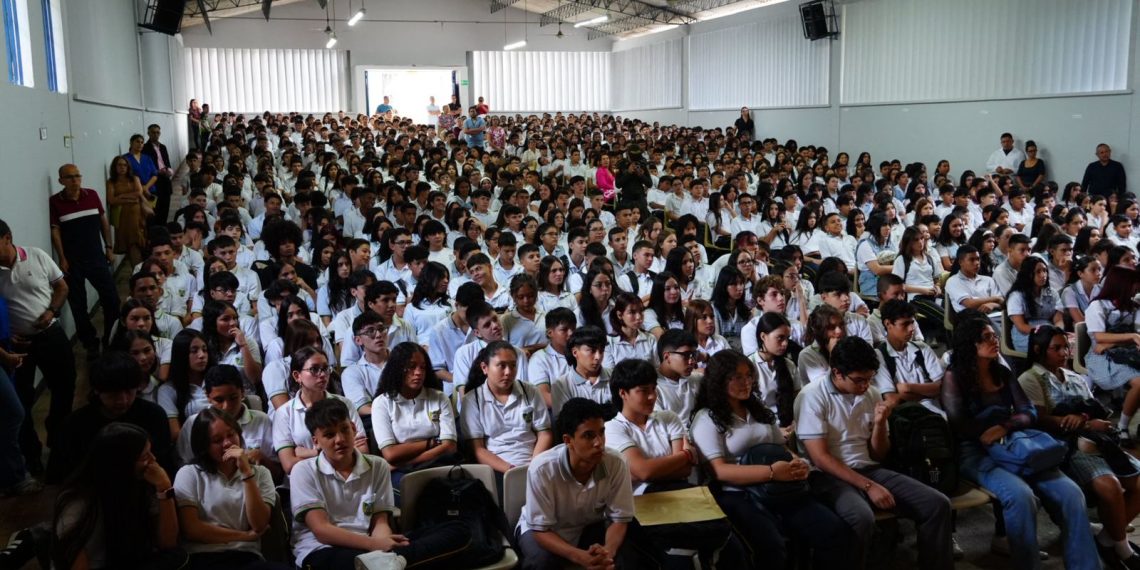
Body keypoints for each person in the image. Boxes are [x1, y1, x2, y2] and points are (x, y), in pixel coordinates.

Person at [942, 317, 1099, 570]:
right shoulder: (955, 377)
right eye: (987, 337)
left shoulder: (1001, 372)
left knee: (1071, 494)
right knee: (1021, 496)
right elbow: (961, 425)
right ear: (970, 344)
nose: (995, 341)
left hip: (1013, 443)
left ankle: (1085, 566)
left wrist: (1004, 426)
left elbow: (1028, 410)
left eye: (995, 336)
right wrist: (997, 426)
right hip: (976, 451)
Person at [796, 336, 953, 570]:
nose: (865, 386)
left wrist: (880, 425)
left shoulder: (871, 393)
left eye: (869, 379)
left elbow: (878, 455)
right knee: (860, 517)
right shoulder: (812, 396)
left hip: (869, 468)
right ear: (837, 373)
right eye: (859, 380)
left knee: (937, 504)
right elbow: (820, 458)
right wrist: (868, 486)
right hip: (828, 475)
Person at [690, 350, 851, 569]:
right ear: (719, 380)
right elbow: (719, 471)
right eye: (737, 377)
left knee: (832, 530)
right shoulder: (707, 418)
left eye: (749, 376)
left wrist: (797, 464)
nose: (746, 382)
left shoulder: (757, 410)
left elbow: (781, 447)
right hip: (738, 493)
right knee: (772, 546)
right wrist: (772, 472)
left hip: (780, 486)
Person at [288, 398, 472, 570]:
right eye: (329, 435)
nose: (340, 440)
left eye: (344, 429)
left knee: (459, 530)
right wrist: (374, 546)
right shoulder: (303, 470)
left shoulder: (377, 465)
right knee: (339, 562)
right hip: (324, 549)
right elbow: (322, 530)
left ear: (353, 428)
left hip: (371, 546)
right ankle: (390, 563)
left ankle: (388, 563)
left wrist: (383, 545)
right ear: (316, 441)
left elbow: (380, 521)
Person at [1018, 325, 1140, 568]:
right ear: (1038, 350)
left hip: (1096, 442)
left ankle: (1108, 539)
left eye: (1067, 347)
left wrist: (1095, 422)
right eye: (1057, 348)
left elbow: (1094, 409)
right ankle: (1124, 549)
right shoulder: (1030, 378)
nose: (1064, 353)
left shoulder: (1075, 377)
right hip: (1067, 446)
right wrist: (1079, 421)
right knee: (1110, 486)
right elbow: (1039, 419)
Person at [605, 359, 745, 567]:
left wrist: (656, 467)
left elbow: (683, 471)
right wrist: (684, 456)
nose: (652, 396)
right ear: (623, 393)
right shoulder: (613, 428)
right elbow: (644, 472)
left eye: (654, 388)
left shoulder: (667, 418)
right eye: (644, 391)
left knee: (731, 546)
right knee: (679, 558)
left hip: (680, 491)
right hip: (640, 501)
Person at [515, 397, 666, 570]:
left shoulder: (616, 463)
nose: (599, 443)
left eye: (601, 432)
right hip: (544, 531)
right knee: (541, 561)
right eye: (588, 435)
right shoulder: (542, 469)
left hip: (586, 527)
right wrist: (577, 556)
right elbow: (540, 530)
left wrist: (608, 552)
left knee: (625, 553)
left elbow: (619, 519)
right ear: (568, 440)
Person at [52, 423, 184, 570]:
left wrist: (164, 489)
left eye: (151, 453)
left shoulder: (143, 484)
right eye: (144, 456)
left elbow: (168, 542)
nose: (153, 460)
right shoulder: (77, 502)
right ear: (120, 464)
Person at [0, 217, 75, 476]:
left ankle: (59, 442)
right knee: (21, 400)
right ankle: (31, 455)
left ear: (7, 238)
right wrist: (8, 332)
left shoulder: (36, 256)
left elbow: (62, 286)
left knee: (64, 387)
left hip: (50, 334)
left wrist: (52, 310)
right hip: (18, 345)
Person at [173, 408, 289, 570]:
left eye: (231, 435)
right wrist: (244, 536)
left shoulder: (260, 474)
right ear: (204, 446)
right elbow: (192, 529)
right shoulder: (190, 474)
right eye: (217, 440)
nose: (227, 443)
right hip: (202, 557)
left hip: (247, 556)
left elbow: (260, 524)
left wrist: (246, 473)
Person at [47, 351, 174, 484]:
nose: (123, 400)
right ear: (97, 390)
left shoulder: (153, 416)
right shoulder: (74, 426)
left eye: (129, 391)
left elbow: (164, 463)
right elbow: (59, 476)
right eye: (114, 393)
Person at [50, 164, 120, 356]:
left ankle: (110, 338)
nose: (75, 180)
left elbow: (103, 223)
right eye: (70, 177)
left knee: (111, 299)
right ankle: (90, 343)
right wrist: (62, 258)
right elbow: (55, 231)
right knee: (78, 306)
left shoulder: (92, 195)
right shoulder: (55, 202)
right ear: (61, 181)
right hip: (73, 262)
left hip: (96, 257)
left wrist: (109, 247)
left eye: (77, 176)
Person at [370, 342, 458, 489]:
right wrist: (432, 442)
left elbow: (449, 447)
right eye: (411, 367)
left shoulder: (439, 398)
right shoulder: (382, 403)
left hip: (435, 464)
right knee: (415, 489)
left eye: (422, 367)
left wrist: (404, 462)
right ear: (397, 369)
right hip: (404, 473)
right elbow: (390, 454)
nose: (418, 372)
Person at [461, 340, 553, 478]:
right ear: (485, 367)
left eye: (513, 366)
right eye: (501, 366)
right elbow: (478, 449)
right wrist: (512, 470)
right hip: (496, 467)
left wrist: (534, 466)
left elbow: (544, 433)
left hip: (534, 462)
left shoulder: (530, 391)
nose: (508, 372)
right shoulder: (472, 400)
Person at [273, 346, 369, 475]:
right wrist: (340, 452)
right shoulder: (284, 413)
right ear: (297, 376)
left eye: (325, 368)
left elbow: (362, 451)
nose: (322, 374)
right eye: (314, 369)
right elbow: (289, 465)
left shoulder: (344, 404)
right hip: (306, 478)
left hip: (347, 474)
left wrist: (310, 452)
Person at [1085, 266, 1140, 444]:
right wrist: (1131, 337)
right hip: (1101, 358)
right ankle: (1123, 426)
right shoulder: (1098, 306)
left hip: (1125, 353)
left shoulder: (1133, 306)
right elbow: (1099, 338)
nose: (1136, 289)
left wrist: (1115, 341)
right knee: (1139, 383)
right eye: (1133, 285)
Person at [873, 300, 946, 414]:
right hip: (906, 416)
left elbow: (940, 387)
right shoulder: (879, 355)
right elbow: (891, 398)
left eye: (912, 322)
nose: (912, 328)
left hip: (935, 412)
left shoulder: (923, 348)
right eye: (905, 324)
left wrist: (907, 388)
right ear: (888, 324)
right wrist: (927, 391)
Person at [1007, 256, 1064, 352]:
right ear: (1028, 274)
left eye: (1045, 271)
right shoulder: (1017, 296)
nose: (1043, 275)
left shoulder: (1052, 293)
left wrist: (1057, 331)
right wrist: (1044, 334)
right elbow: (1021, 327)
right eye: (1038, 272)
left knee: (1066, 346)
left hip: (1050, 332)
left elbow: (1058, 320)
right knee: (1053, 350)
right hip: (1027, 335)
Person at [143, 123, 175, 223]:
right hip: (154, 182)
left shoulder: (163, 147)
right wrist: (157, 171)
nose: (156, 135)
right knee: (155, 210)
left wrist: (169, 171)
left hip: (165, 180)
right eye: (153, 132)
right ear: (148, 133)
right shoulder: (144, 148)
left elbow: (167, 163)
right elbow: (146, 167)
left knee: (165, 208)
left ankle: (163, 229)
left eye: (157, 132)